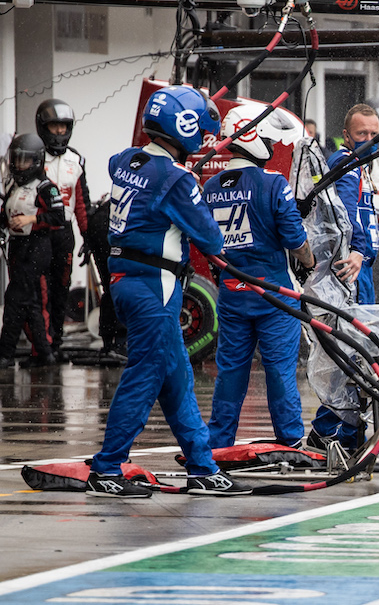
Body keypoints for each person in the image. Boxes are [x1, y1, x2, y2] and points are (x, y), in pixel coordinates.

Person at [88, 85, 249, 498]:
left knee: (176, 380)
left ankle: (202, 466)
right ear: (186, 129)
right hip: (154, 289)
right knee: (144, 377)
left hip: (125, 283)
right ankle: (107, 468)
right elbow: (210, 237)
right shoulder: (178, 179)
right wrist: (185, 180)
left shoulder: (127, 160)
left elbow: (124, 167)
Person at [203, 104, 315, 450]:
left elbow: (209, 246)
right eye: (265, 137)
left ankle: (219, 441)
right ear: (250, 137)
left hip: (232, 294)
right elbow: (296, 240)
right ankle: (291, 440)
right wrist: (309, 264)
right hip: (273, 293)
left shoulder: (210, 187)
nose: (268, 144)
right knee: (280, 371)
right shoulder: (272, 183)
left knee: (231, 371)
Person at [0, 134, 65, 369]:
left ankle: (6, 354)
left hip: (38, 247)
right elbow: (4, 215)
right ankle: (44, 353)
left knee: (15, 300)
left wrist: (32, 218)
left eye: (25, 161)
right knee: (30, 302)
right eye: (16, 160)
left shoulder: (46, 187)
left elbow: (59, 217)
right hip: (17, 247)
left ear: (36, 161)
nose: (20, 166)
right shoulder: (12, 186)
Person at [36, 99, 90, 357]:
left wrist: (88, 237)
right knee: (40, 291)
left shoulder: (76, 159)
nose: (58, 132)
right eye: (54, 126)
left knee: (61, 288)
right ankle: (41, 343)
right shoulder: (32, 155)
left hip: (64, 235)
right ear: (43, 127)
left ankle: (55, 341)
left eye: (63, 127)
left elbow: (82, 203)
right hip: (38, 234)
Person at [328, 104, 379, 304]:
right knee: (358, 331)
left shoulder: (359, 163)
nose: (369, 140)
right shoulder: (346, 163)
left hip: (361, 265)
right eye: (361, 133)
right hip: (353, 264)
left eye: (373, 134)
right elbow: (346, 210)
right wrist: (358, 249)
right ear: (346, 135)